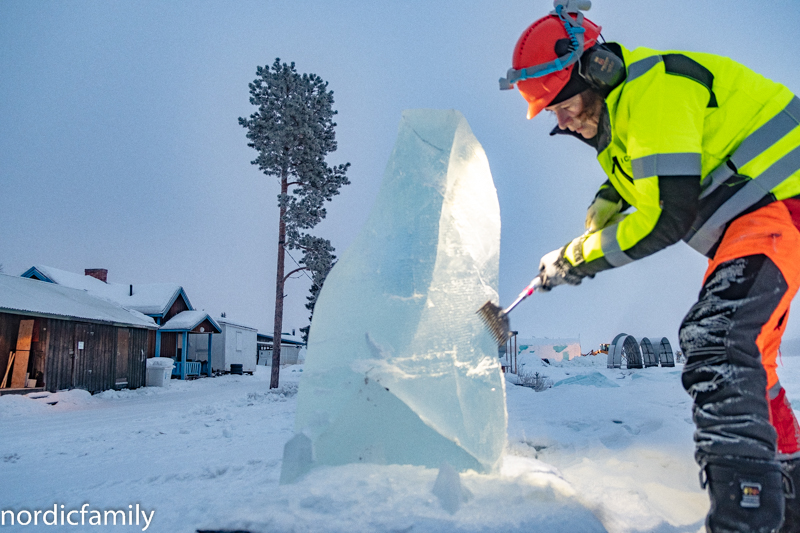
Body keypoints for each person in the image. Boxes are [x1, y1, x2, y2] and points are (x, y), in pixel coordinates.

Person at [499, 1, 800, 531]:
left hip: (779, 204)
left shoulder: (653, 88)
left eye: (560, 102)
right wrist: (608, 195)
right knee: (752, 364)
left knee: (716, 341)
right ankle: (791, 497)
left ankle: (745, 519)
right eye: (548, 110)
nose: (560, 118)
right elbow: (645, 173)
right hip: (750, 223)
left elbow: (668, 215)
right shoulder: (622, 124)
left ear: (595, 68)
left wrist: (576, 258)